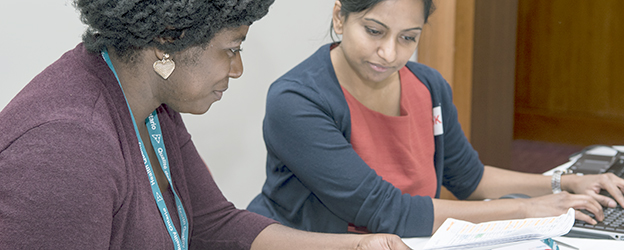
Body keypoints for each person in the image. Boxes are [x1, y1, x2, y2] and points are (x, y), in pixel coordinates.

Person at [0, 1, 410, 249]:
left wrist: (357, 245)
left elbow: (214, 225)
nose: (238, 68)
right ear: (167, 41)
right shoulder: (66, 146)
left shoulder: (151, 104)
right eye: (230, 50)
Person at [247, 0, 624, 238]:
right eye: (374, 31)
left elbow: (470, 179)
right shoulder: (296, 101)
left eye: (408, 38)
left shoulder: (428, 86)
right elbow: (388, 212)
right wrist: (524, 209)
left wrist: (564, 182)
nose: (389, 53)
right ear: (339, 18)